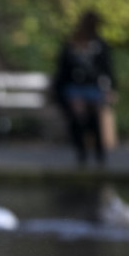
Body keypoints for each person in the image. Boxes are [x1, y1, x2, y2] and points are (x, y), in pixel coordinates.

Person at [53, 11, 116, 166]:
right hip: (74, 89)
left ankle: (97, 153)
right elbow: (63, 72)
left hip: (92, 88)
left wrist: (111, 88)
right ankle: (83, 153)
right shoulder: (73, 44)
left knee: (93, 114)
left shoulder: (99, 45)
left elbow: (106, 69)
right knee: (78, 113)